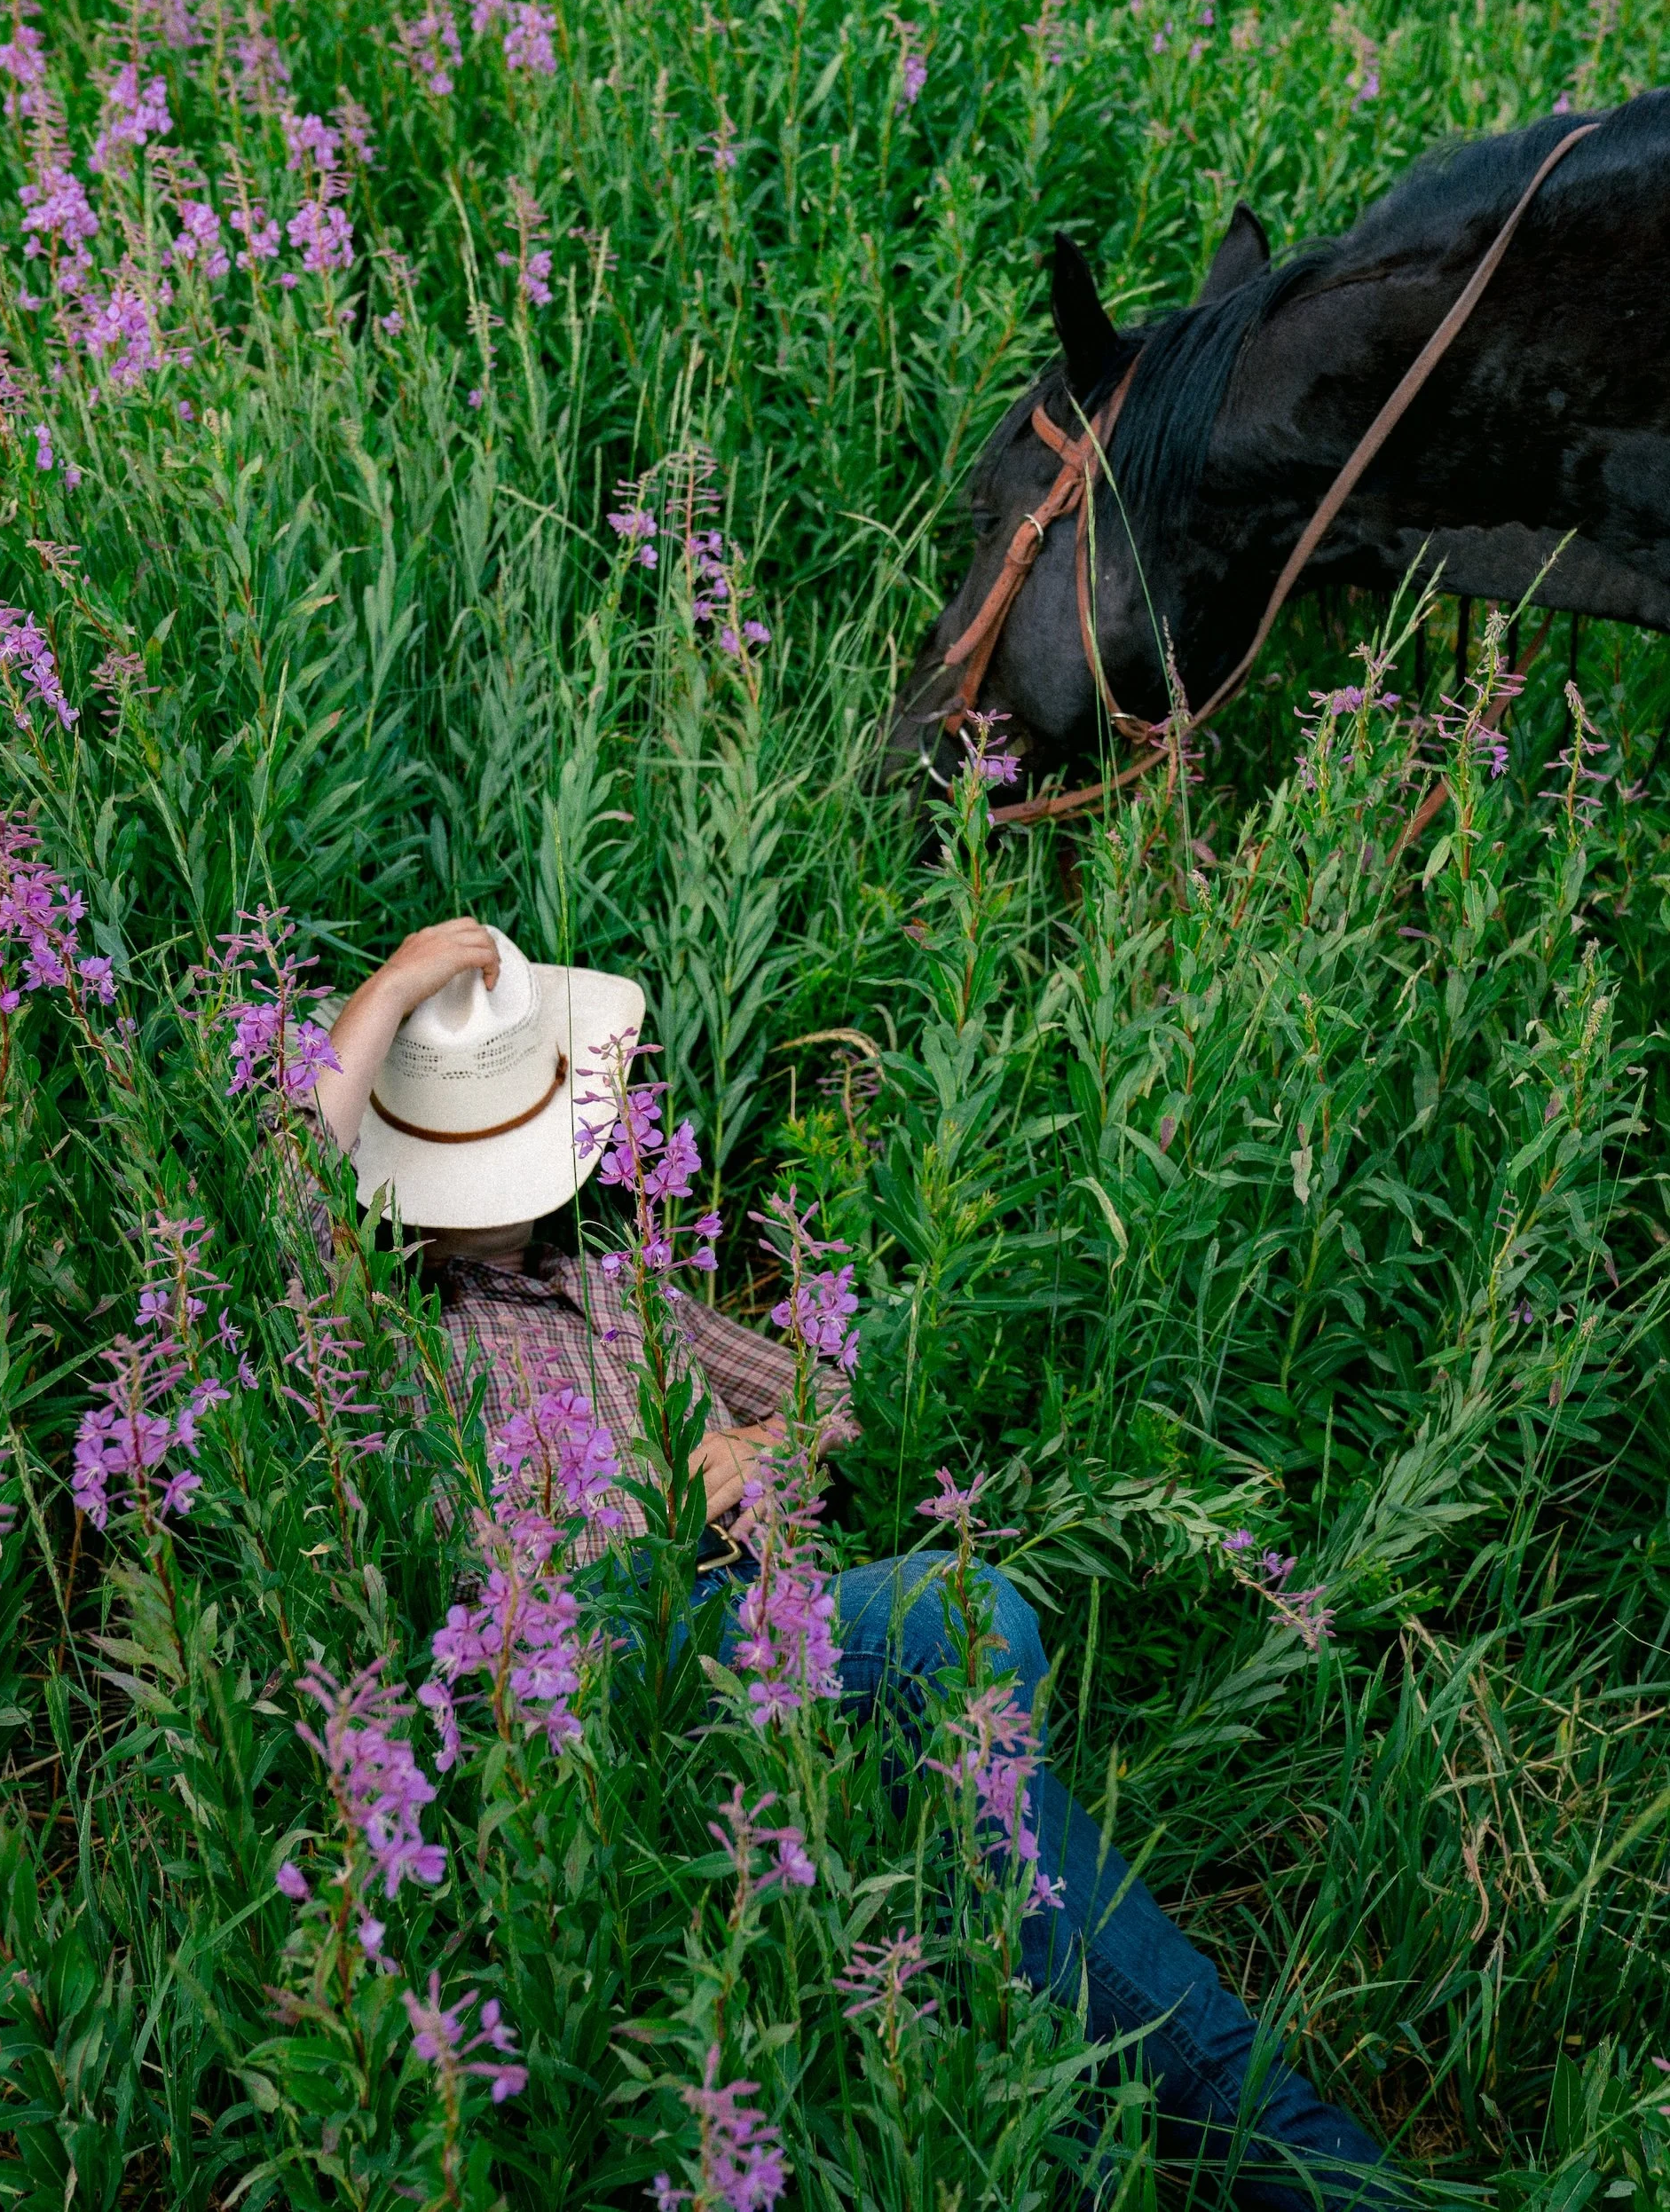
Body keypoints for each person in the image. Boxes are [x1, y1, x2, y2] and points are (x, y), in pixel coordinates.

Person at [315, 917, 1401, 2209]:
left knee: (968, 1734)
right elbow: (272, 1174)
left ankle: (1097, 2083)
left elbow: (830, 1393)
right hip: (574, 1653)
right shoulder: (379, 1326)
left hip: (746, 1620)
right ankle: (1257, 2128)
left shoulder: (625, 1288)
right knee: (964, 1618)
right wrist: (391, 991)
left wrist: (756, 1454)